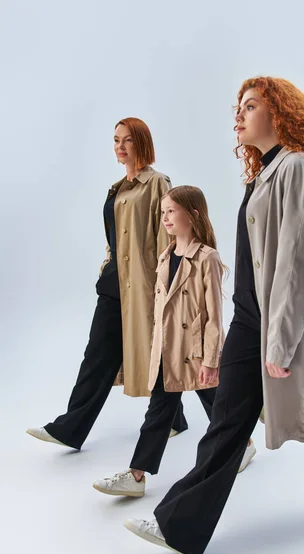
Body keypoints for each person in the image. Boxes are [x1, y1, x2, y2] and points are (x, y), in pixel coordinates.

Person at [122, 77, 304, 554]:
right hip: (250, 319)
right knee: (226, 424)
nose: (238, 115)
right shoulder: (264, 173)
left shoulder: (298, 168)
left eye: (250, 105)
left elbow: (298, 264)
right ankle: (178, 525)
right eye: (237, 107)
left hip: (284, 322)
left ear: (279, 115)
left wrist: (279, 343)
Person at [26, 118, 188, 450]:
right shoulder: (118, 188)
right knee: (98, 354)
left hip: (145, 286)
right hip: (115, 284)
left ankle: (192, 423)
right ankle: (70, 428)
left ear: (142, 143)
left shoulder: (157, 183)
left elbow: (167, 238)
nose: (120, 146)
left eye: (128, 140)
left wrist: (165, 286)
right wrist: (107, 266)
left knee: (168, 355)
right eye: (116, 140)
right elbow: (116, 237)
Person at [91, 186, 256, 498]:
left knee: (218, 406)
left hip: (193, 354)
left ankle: (243, 445)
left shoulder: (207, 258)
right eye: (163, 212)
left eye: (171, 211)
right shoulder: (166, 256)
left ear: (193, 214)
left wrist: (210, 360)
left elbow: (213, 316)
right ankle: (137, 475)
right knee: (160, 411)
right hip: (167, 352)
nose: (165, 218)